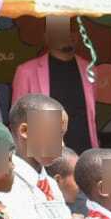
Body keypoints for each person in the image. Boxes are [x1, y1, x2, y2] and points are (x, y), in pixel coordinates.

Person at [11, 18, 99, 151]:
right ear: (47, 37)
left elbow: (91, 114)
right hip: (44, 152)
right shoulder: (26, 71)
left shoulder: (89, 68)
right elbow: (17, 119)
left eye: (72, 30)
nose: (67, 34)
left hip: (84, 148)